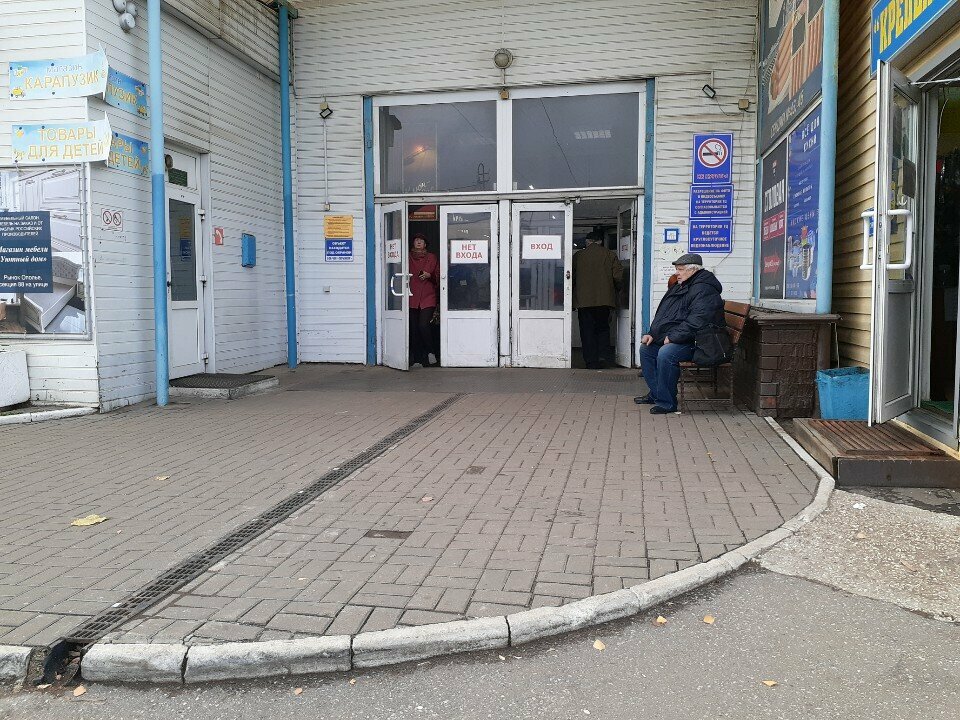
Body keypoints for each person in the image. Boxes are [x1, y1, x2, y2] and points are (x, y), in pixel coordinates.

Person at [635, 253, 724, 414]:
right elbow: (663, 315)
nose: (677, 273)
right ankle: (657, 394)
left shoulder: (704, 289)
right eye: (677, 269)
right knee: (646, 349)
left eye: (681, 269)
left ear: (693, 270)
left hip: (700, 342)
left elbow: (698, 320)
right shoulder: (680, 286)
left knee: (666, 353)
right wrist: (652, 333)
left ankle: (667, 403)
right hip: (684, 338)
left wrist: (673, 337)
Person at [573, 230, 623, 369]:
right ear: (600, 241)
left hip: (583, 301)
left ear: (587, 242)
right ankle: (603, 358)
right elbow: (618, 277)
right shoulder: (610, 255)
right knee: (603, 329)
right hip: (604, 300)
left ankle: (590, 361)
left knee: (586, 330)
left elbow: (571, 276)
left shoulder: (578, 256)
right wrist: (617, 290)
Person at [408, 234, 439, 367]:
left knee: (423, 325)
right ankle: (417, 359)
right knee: (414, 328)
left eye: (422, 240)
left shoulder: (431, 257)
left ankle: (431, 352)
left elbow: (439, 275)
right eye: (416, 240)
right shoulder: (407, 257)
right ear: (413, 243)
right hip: (411, 295)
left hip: (428, 296)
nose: (419, 242)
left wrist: (429, 275)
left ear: (425, 244)